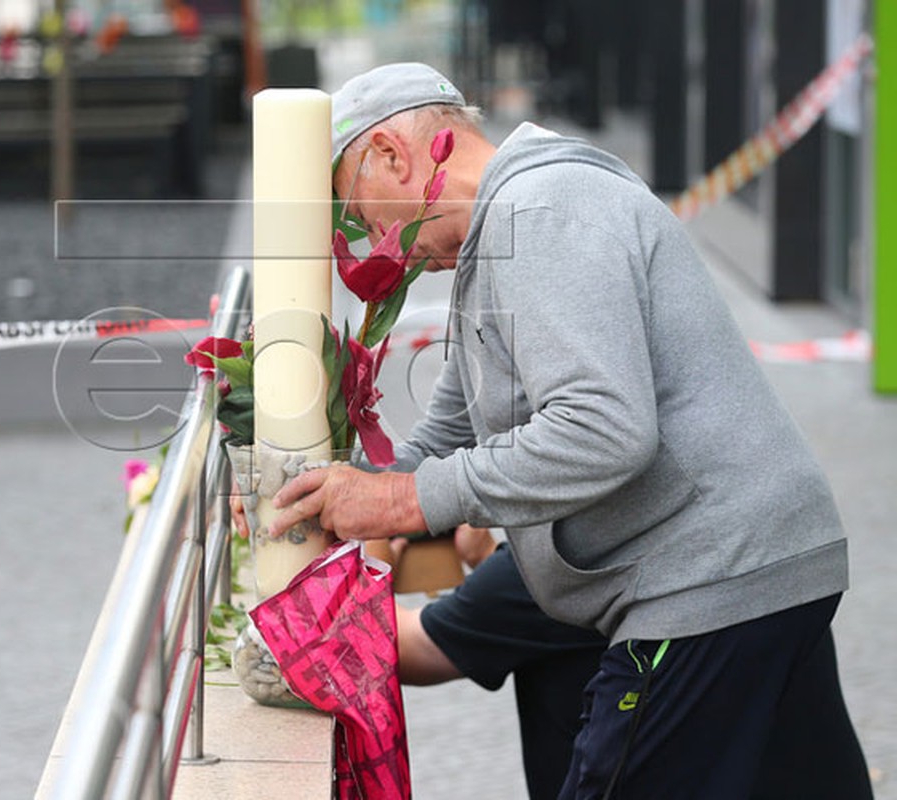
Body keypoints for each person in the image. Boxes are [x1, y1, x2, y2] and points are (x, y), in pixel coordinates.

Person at [257, 62, 870, 798]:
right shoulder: (504, 231)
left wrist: (401, 504)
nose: (375, 246)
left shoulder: (540, 210)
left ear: (393, 154)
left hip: (707, 579)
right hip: (762, 564)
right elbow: (452, 424)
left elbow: (605, 429)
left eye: (361, 214)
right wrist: (326, 499)